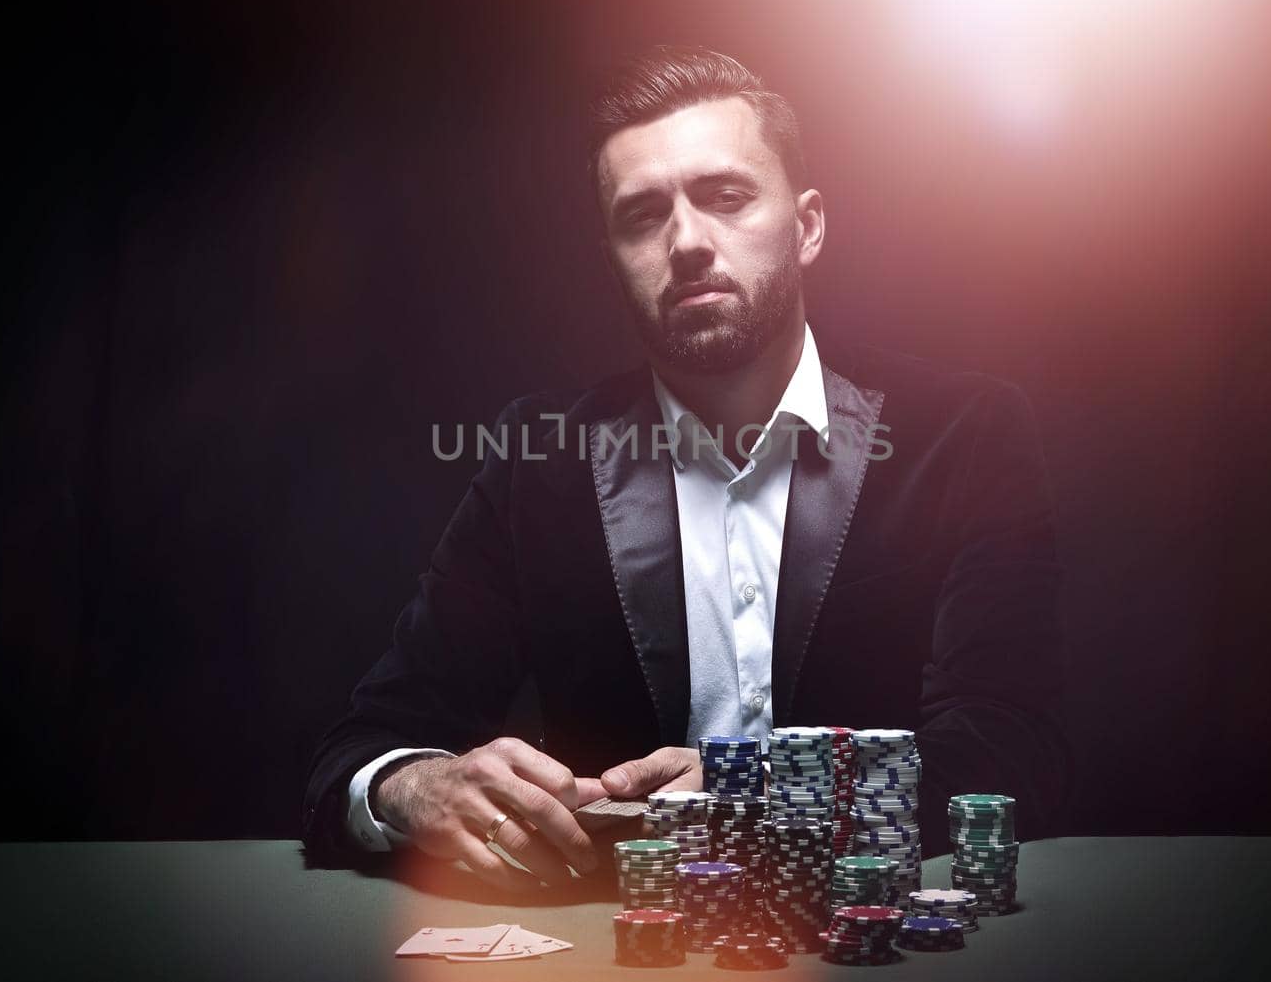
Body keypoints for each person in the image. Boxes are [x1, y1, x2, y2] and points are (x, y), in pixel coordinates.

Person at [302, 45, 1068, 890]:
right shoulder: (538, 465)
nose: (687, 242)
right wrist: (416, 785)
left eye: (726, 196)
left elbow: (1008, 746)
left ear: (807, 225)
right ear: (613, 258)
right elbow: (365, 746)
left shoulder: (964, 434)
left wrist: (766, 792)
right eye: (641, 216)